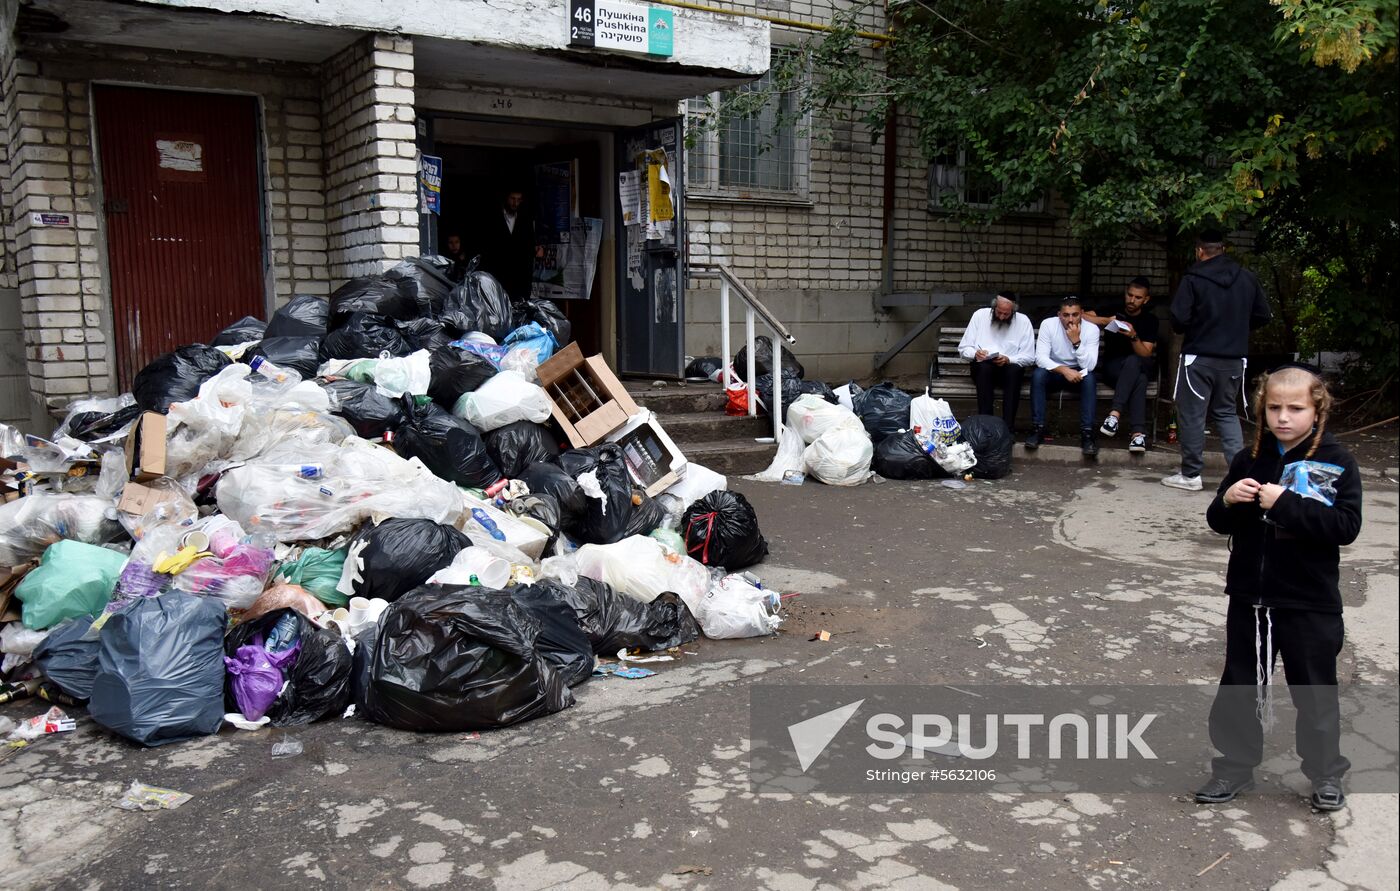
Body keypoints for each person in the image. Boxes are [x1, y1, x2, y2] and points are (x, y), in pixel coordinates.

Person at [1196, 364, 1361, 811]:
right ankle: (1233, 768)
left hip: (1310, 600)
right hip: (1251, 596)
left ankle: (1326, 773)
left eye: (1295, 408)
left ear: (1317, 408)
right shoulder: (1249, 458)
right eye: (1274, 407)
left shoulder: (1337, 460)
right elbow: (1218, 521)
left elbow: (1345, 526)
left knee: (1315, 691)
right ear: (1261, 408)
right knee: (1239, 686)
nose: (1283, 417)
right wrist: (1226, 500)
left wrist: (1285, 503)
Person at [1162, 230, 1272, 491]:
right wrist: (1237, 330)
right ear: (1223, 249)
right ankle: (1241, 475)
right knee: (1226, 413)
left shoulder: (1193, 279)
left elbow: (1178, 319)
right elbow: (1263, 315)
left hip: (1198, 358)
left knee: (1192, 415)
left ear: (1200, 251)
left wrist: (1197, 327)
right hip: (1234, 360)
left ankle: (1190, 475)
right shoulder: (1246, 278)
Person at [1084, 277, 1159, 453]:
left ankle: (1114, 414)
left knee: (1134, 361)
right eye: (1130, 295)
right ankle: (1138, 434)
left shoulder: (1150, 320)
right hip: (1113, 370)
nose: (1132, 300)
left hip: (1139, 364)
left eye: (1138, 297)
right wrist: (1105, 321)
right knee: (1138, 379)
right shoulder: (1113, 310)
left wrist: (1133, 336)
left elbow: (1146, 353)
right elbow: (1082, 316)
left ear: (1146, 299)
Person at [1025, 296, 1101, 456]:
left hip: (1079, 373)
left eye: (1075, 314)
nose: (1070, 319)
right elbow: (1040, 358)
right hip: (1055, 371)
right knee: (1038, 375)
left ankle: (1087, 434)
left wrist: (1076, 342)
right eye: (1066, 315)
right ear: (1059, 314)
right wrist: (1064, 370)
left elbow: (1090, 365)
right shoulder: (1048, 325)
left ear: (1082, 313)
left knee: (1090, 379)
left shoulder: (1092, 329)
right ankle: (1037, 429)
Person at [957, 291, 1036, 429]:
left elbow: (1029, 357)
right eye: (999, 312)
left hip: (1008, 369)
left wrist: (1008, 359)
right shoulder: (980, 315)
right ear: (994, 307)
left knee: (1015, 371)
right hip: (983, 368)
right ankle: (986, 427)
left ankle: (1007, 428)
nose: (1001, 317)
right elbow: (963, 349)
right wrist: (976, 354)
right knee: (983, 368)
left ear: (1013, 311)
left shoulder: (1023, 321)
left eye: (1006, 314)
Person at [479, 188, 535, 300]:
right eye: (512, 199)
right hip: (498, 276)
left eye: (518, 200)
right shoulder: (494, 218)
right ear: (506, 198)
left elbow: (528, 248)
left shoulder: (525, 220)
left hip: (519, 278)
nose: (515, 203)